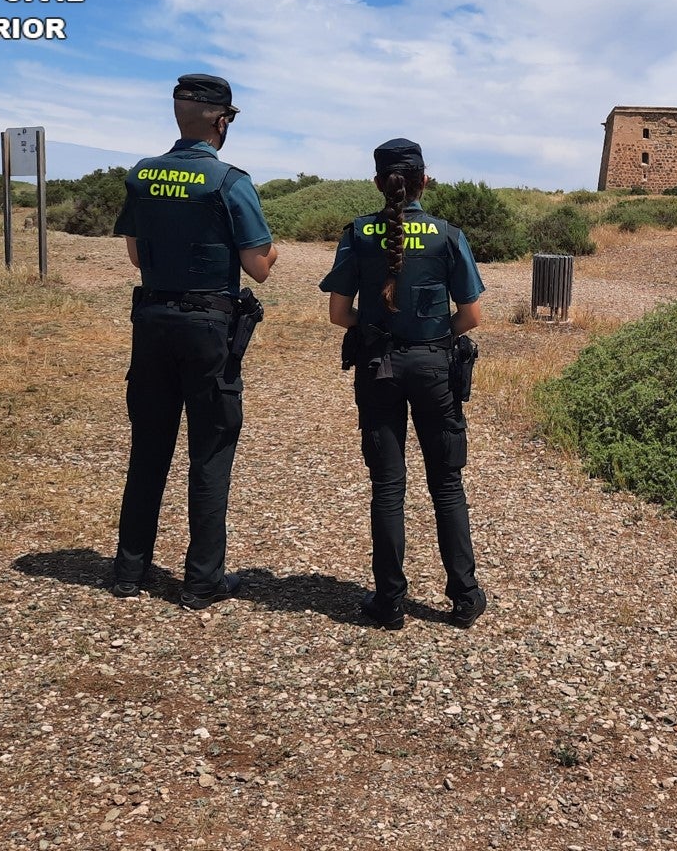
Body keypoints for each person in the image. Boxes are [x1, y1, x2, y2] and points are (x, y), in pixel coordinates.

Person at [110, 73, 279, 610]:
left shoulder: (142, 175)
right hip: (209, 328)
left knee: (149, 449)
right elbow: (260, 268)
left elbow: (136, 257)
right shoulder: (230, 181)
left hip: (152, 321)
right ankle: (202, 579)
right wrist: (271, 254)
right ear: (221, 120)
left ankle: (129, 570)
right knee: (210, 452)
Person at [320, 138, 487, 629]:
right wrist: (434, 338)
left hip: (377, 367)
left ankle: (389, 601)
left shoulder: (357, 233)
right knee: (447, 484)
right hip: (434, 367)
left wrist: (375, 331)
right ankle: (463, 596)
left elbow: (337, 314)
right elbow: (471, 315)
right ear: (424, 181)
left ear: (378, 182)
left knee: (388, 487)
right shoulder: (446, 235)